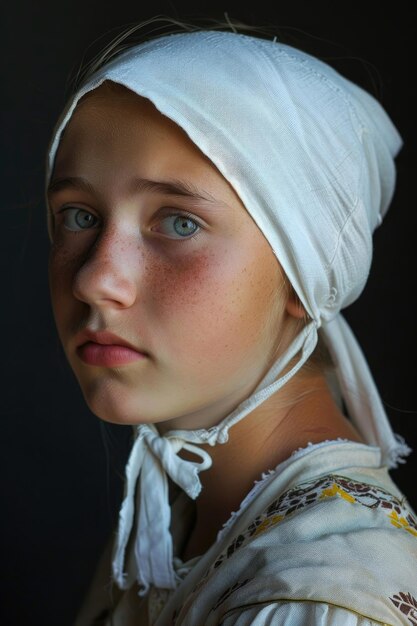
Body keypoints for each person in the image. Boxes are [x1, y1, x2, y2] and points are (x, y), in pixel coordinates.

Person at [44, 17, 417, 626]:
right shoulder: (180, 510)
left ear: (304, 274)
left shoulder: (318, 602)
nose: (94, 279)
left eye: (179, 223)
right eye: (79, 216)